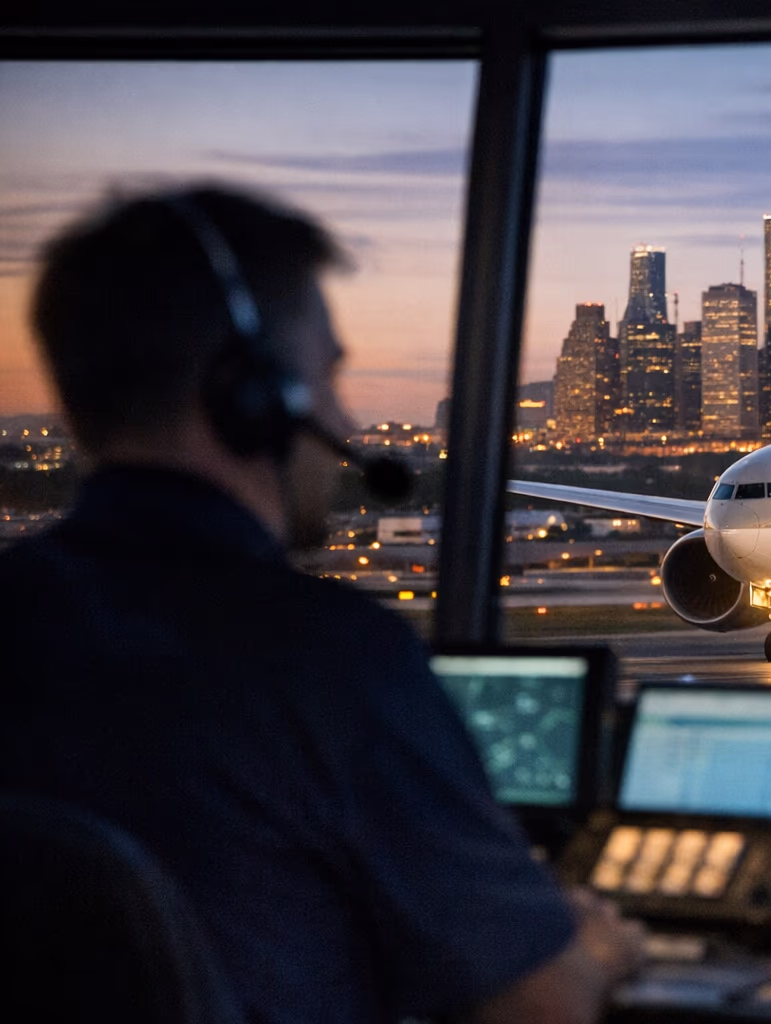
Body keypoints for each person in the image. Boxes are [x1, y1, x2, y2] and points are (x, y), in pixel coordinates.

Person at [0, 184, 644, 1023]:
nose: (343, 420)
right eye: (328, 379)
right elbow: (539, 1007)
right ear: (256, 398)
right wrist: (597, 950)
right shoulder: (328, 660)